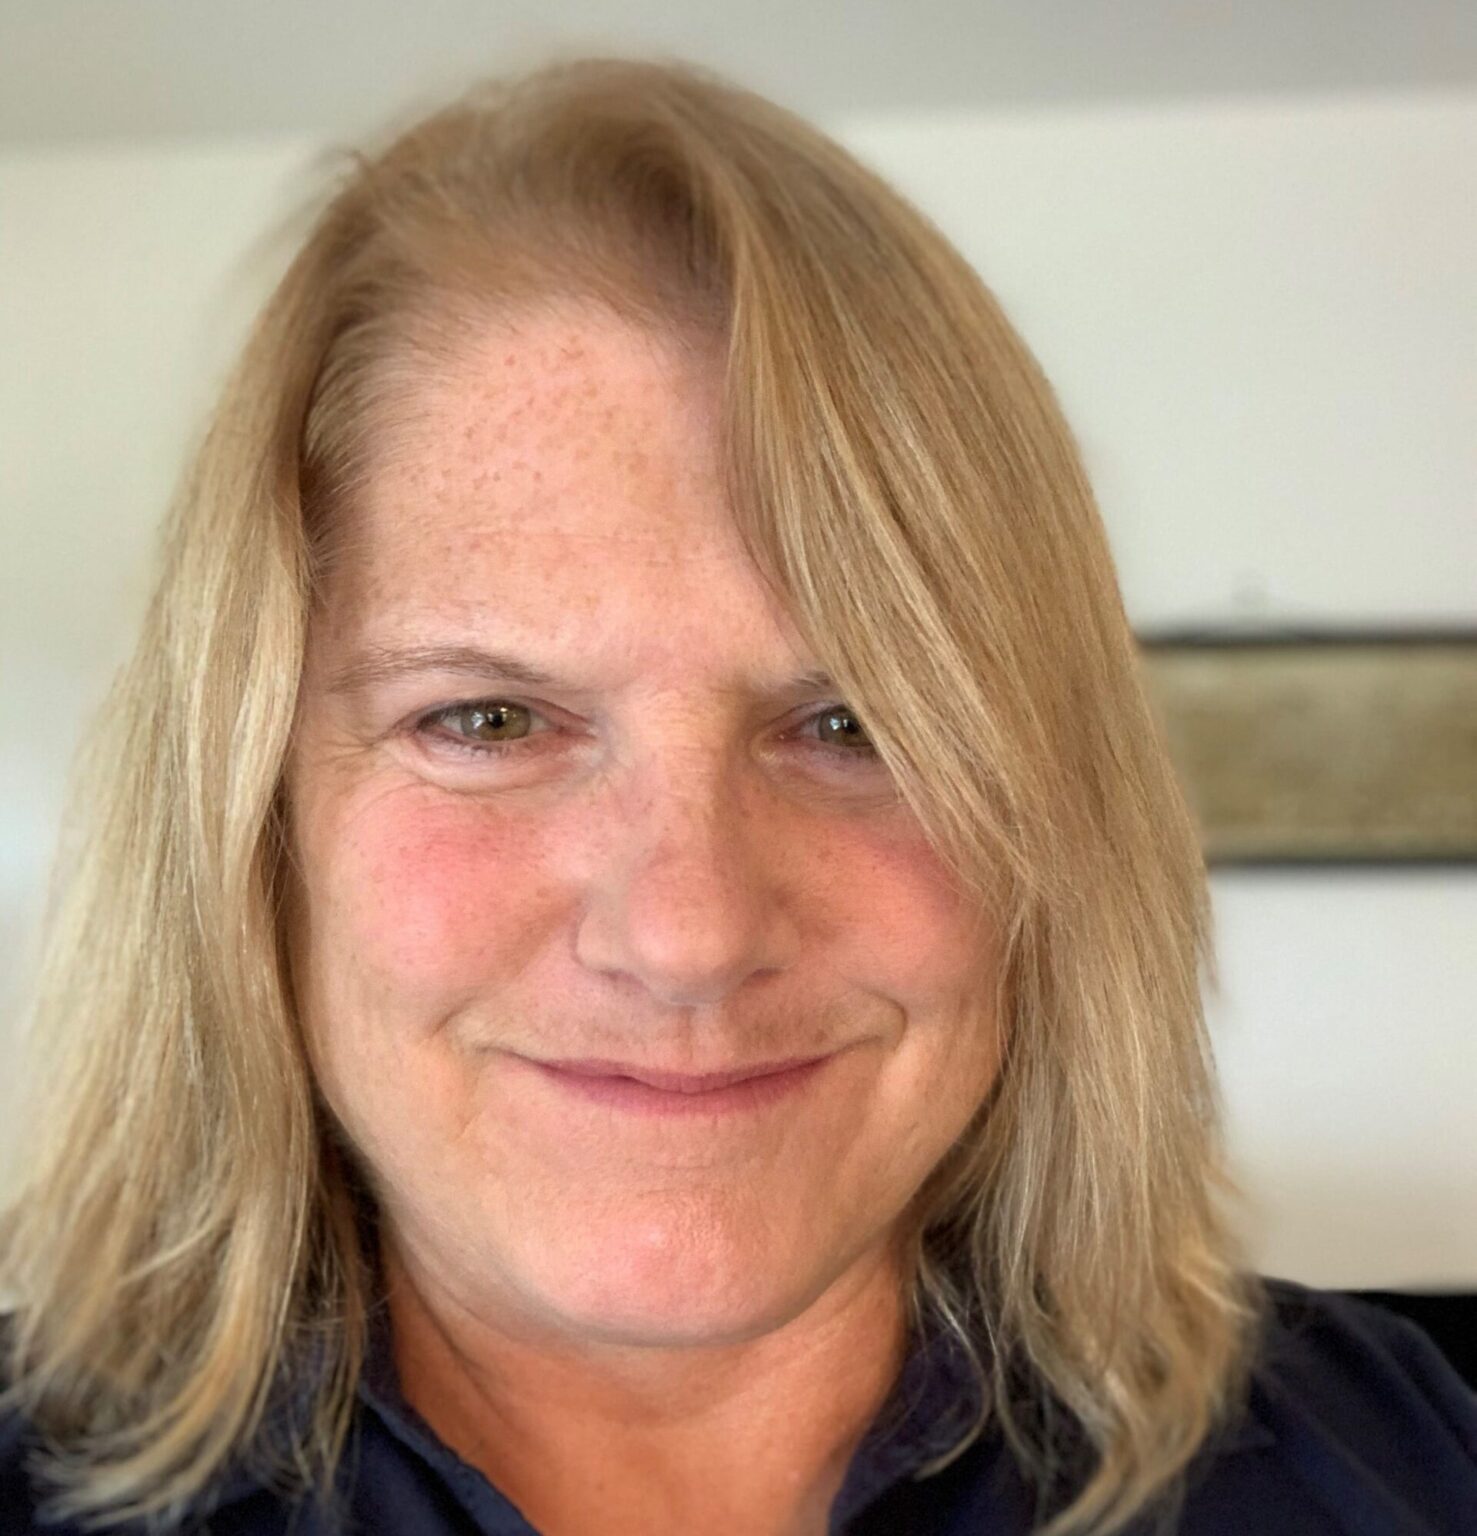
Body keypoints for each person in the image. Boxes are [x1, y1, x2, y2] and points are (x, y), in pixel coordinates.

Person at [0, 55, 1472, 1536]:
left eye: (854, 724)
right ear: (253, 824)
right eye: (489, 721)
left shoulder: (1402, 1461)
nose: (688, 934)